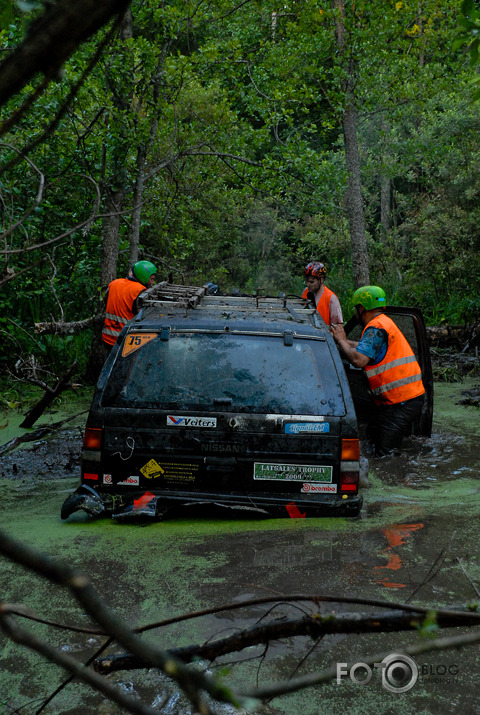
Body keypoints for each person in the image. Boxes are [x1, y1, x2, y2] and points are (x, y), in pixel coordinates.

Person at [330, 285, 425, 457]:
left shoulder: (375, 328)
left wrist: (342, 339)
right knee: (372, 436)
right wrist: (341, 343)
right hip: (402, 399)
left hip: (401, 402)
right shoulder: (383, 323)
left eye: (356, 309)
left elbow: (359, 360)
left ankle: (397, 477)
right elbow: (364, 348)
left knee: (385, 453)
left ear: (361, 308)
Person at [102, 260, 157, 348]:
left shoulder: (114, 283)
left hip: (107, 338)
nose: (152, 282)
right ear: (144, 276)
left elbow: (106, 302)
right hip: (126, 339)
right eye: (152, 279)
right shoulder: (140, 291)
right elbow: (143, 316)